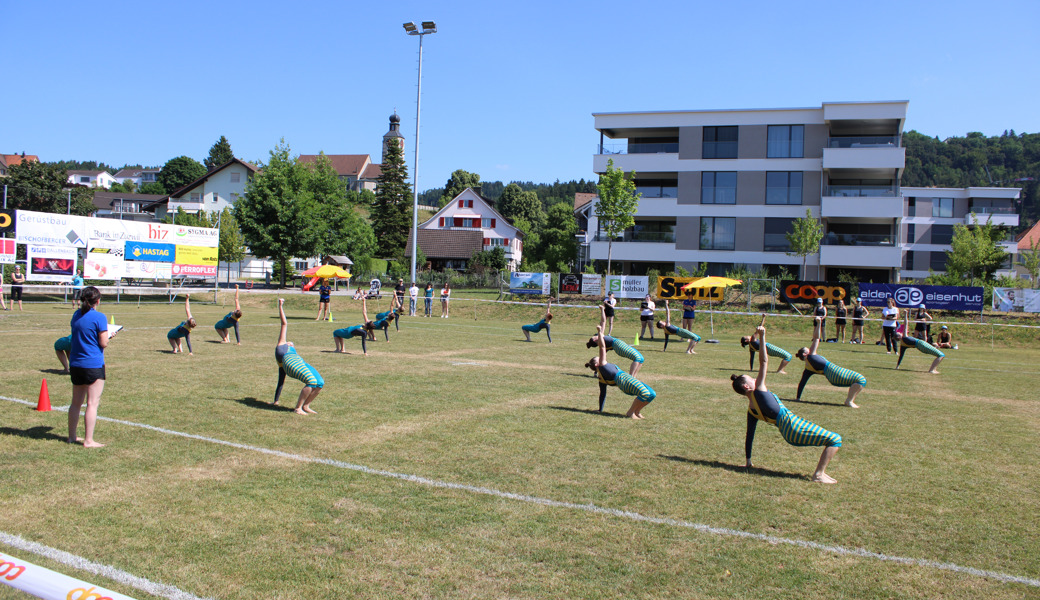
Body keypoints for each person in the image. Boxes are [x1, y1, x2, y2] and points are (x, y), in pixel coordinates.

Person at [729, 320, 842, 484]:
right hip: (792, 425)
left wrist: (748, 461)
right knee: (835, 440)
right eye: (752, 378)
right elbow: (764, 362)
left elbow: (749, 435)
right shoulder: (759, 390)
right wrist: (762, 335)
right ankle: (818, 474)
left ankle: (821, 474)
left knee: (831, 439)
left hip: (787, 432)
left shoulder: (751, 409)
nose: (755, 378)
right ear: (747, 386)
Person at [585, 324, 656, 418]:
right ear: (597, 364)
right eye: (599, 358)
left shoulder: (601, 378)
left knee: (652, 394)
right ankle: (630, 413)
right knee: (645, 393)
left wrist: (600, 409)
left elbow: (602, 394)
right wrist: (599, 332)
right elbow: (602, 347)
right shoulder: (602, 365)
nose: (602, 358)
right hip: (623, 378)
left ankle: (637, 411)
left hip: (625, 379)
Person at [68, 286, 109, 448]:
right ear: (97, 301)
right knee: (92, 403)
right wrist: (109, 336)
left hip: (76, 364)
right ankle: (88, 440)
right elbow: (103, 343)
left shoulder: (76, 315)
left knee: (75, 403)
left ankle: (72, 436)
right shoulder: (99, 317)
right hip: (92, 364)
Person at [794, 317, 867, 408]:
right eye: (808, 349)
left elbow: (802, 383)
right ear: (805, 354)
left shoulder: (807, 368)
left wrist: (798, 398)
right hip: (833, 371)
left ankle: (850, 400)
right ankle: (849, 401)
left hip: (831, 377)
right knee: (861, 379)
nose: (810, 348)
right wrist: (819, 323)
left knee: (859, 381)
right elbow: (816, 338)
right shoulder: (811, 356)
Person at [272, 298, 323, 414]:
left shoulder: (293, 351)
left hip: (300, 361)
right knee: (311, 381)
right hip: (290, 361)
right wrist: (280, 306)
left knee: (320, 382)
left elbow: (280, 383)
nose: (291, 342)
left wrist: (276, 401)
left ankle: (306, 406)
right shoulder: (281, 344)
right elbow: (284, 323)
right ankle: (298, 408)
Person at [587, 305, 644, 375]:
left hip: (619, 345)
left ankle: (634, 378)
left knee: (641, 359)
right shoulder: (600, 339)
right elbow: (603, 322)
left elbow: (603, 321)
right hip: (618, 346)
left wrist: (602, 310)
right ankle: (631, 377)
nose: (595, 335)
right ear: (595, 341)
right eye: (594, 336)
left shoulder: (600, 339)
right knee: (637, 359)